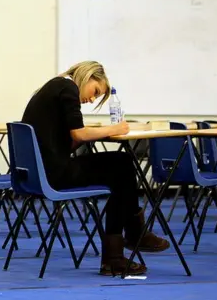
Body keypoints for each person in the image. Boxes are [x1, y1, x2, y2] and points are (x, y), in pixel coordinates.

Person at [20, 60, 170, 276]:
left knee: (119, 168)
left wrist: (94, 133)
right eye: (95, 91)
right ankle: (127, 244)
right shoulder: (68, 87)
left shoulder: (51, 87)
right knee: (122, 165)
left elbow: (67, 140)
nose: (91, 99)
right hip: (53, 174)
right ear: (88, 76)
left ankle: (124, 247)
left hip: (38, 173)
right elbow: (78, 134)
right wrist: (115, 128)